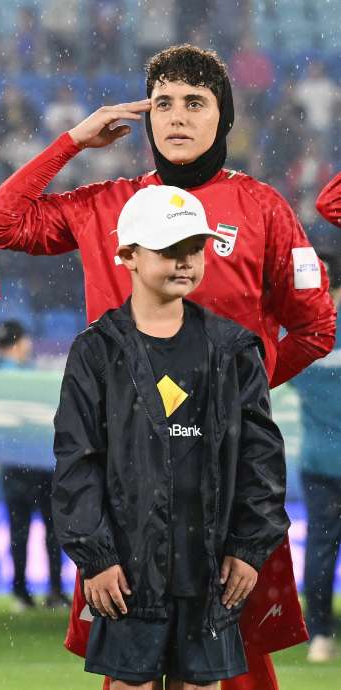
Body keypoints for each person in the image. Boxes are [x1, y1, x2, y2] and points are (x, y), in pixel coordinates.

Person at [0, 44, 327, 689]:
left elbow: (316, 326)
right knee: (128, 666)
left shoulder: (263, 208)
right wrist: (71, 142)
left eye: (195, 102)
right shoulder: (105, 204)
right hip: (125, 477)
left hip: (223, 474)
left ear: (223, 118)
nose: (177, 116)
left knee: (237, 665)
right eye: (163, 103)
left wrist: (237, 392)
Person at [53, 186, 289, 689]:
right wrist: (97, 557)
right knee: (130, 683)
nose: (184, 261)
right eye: (168, 249)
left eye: (194, 248)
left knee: (200, 685)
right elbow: (77, 463)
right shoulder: (96, 351)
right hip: (126, 568)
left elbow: (261, 459)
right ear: (127, 256)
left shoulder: (232, 348)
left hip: (211, 567)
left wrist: (248, 547)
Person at [0, 320, 68, 611]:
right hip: (42, 464)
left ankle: (21, 592)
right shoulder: (33, 377)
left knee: (18, 530)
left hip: (12, 466)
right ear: (21, 343)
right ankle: (56, 591)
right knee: (52, 530)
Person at [287, 251, 341, 663]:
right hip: (323, 458)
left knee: (321, 547)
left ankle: (320, 633)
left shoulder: (306, 332)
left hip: (319, 459)